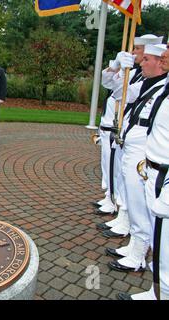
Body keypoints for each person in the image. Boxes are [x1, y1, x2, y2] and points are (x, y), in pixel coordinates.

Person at [106, 43, 167, 273]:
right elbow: (118, 92)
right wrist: (119, 69)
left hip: (145, 153)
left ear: (161, 63)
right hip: (133, 147)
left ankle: (139, 255)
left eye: (147, 59)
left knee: (140, 205)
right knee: (133, 199)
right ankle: (134, 247)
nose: (142, 62)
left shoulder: (162, 87)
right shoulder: (146, 83)